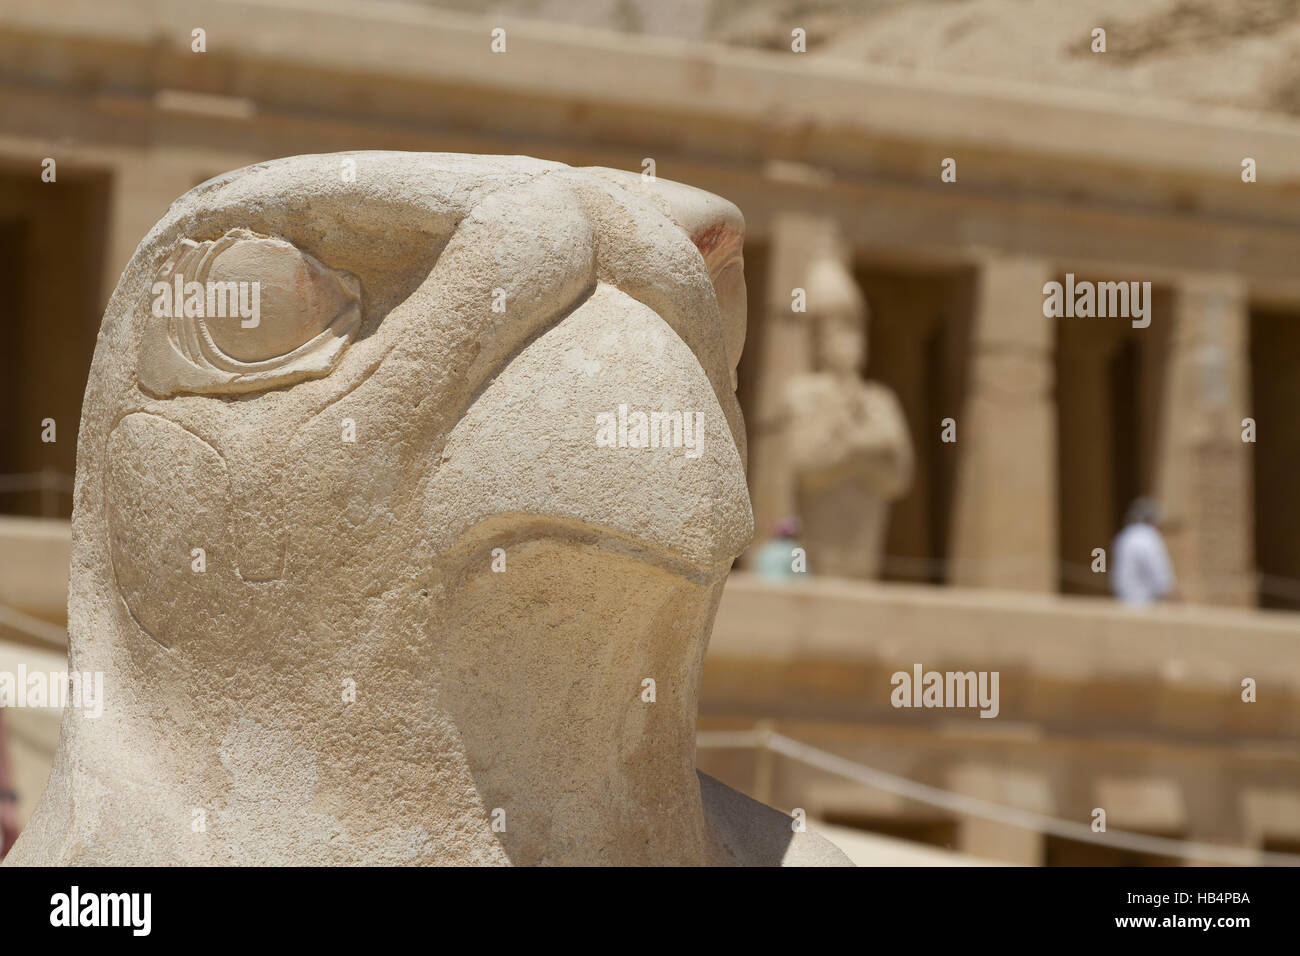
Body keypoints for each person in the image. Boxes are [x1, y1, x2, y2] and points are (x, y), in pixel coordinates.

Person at [1111, 498, 1176, 606]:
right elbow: (1159, 570)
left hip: (1123, 599)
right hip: (1145, 601)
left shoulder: (1124, 536)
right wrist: (1170, 592)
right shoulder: (1148, 536)